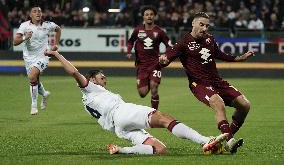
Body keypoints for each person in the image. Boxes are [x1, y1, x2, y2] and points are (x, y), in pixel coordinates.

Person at [44, 49, 228, 155]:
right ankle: (205, 140)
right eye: (102, 77)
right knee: (163, 118)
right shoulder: (89, 87)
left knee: (160, 150)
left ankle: (121, 150)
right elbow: (75, 72)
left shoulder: (88, 101)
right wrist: (57, 54)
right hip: (121, 112)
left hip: (119, 128)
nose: (104, 80)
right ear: (91, 79)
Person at [159, 12, 254, 154]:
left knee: (245, 105)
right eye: (201, 24)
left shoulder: (209, 39)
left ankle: (228, 136)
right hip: (199, 84)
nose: (204, 28)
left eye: (207, 26)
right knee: (218, 103)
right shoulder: (183, 43)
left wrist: (239, 58)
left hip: (217, 81)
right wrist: (163, 61)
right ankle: (229, 140)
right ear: (193, 23)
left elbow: (220, 54)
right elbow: (167, 58)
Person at [13, 5, 61, 115]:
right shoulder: (24, 26)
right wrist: (25, 37)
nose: (38, 13)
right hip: (28, 58)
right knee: (34, 79)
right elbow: (15, 42)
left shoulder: (48, 25)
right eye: (34, 11)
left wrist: (55, 45)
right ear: (30, 15)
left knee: (32, 76)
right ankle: (44, 94)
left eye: (39, 11)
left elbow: (58, 30)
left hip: (43, 56)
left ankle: (33, 105)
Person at [126, 5, 172, 109]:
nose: (149, 16)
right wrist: (129, 50)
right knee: (142, 93)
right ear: (143, 16)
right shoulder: (138, 30)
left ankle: (154, 113)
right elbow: (130, 41)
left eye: (151, 14)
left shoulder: (159, 32)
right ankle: (145, 81)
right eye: (147, 14)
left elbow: (169, 45)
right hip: (141, 66)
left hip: (155, 64)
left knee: (154, 88)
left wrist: (165, 55)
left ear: (154, 16)